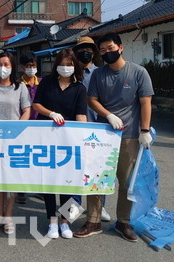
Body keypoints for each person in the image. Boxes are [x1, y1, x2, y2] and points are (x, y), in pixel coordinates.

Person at [74, 33, 154, 242]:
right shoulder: (98, 75)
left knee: (127, 182)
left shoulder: (138, 72)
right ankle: (93, 221)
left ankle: (123, 222)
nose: (107, 53)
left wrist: (144, 131)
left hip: (129, 136)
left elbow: (145, 102)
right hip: (103, 136)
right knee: (96, 179)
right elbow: (92, 100)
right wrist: (108, 115)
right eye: (103, 50)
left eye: (110, 48)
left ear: (120, 47)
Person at [32, 48, 87, 239]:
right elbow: (36, 104)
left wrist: (84, 137)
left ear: (75, 66)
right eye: (62, 65)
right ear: (56, 65)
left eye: (69, 65)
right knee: (49, 181)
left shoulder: (79, 88)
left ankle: (65, 221)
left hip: (68, 140)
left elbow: (81, 115)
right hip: (46, 137)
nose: (65, 68)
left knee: (68, 181)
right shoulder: (47, 82)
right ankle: (52, 221)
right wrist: (51, 113)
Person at [0, 52, 31, 234]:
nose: (3, 68)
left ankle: (8, 215)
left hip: (15, 139)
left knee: (11, 179)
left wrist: (18, 128)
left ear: (13, 66)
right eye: (0, 64)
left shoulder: (20, 87)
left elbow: (26, 110)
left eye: (7, 64)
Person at [72, 36, 111, 223]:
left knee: (99, 170)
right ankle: (74, 205)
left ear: (94, 52)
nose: (85, 52)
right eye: (81, 49)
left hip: (98, 129)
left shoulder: (101, 73)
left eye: (89, 49)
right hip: (75, 129)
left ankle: (99, 206)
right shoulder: (70, 73)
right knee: (74, 170)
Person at [16, 51, 42, 205]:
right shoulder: (17, 84)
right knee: (22, 159)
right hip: (23, 126)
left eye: (33, 65)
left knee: (38, 159)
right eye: (28, 66)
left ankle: (39, 189)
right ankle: (20, 190)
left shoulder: (42, 82)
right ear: (22, 67)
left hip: (40, 126)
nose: (31, 68)